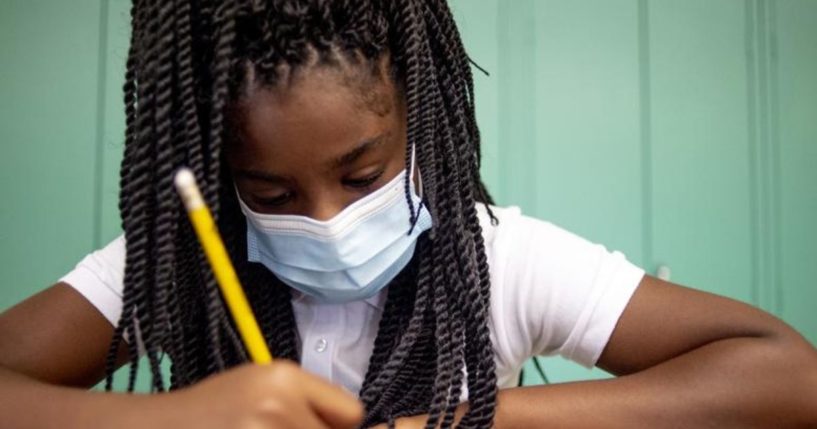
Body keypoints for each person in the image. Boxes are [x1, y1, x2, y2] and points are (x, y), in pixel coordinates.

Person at [1, 1, 816, 428]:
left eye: (361, 175)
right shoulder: (178, 268)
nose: (325, 220)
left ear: (421, 124)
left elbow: (787, 376)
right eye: (273, 194)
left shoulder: (500, 261)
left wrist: (460, 424)